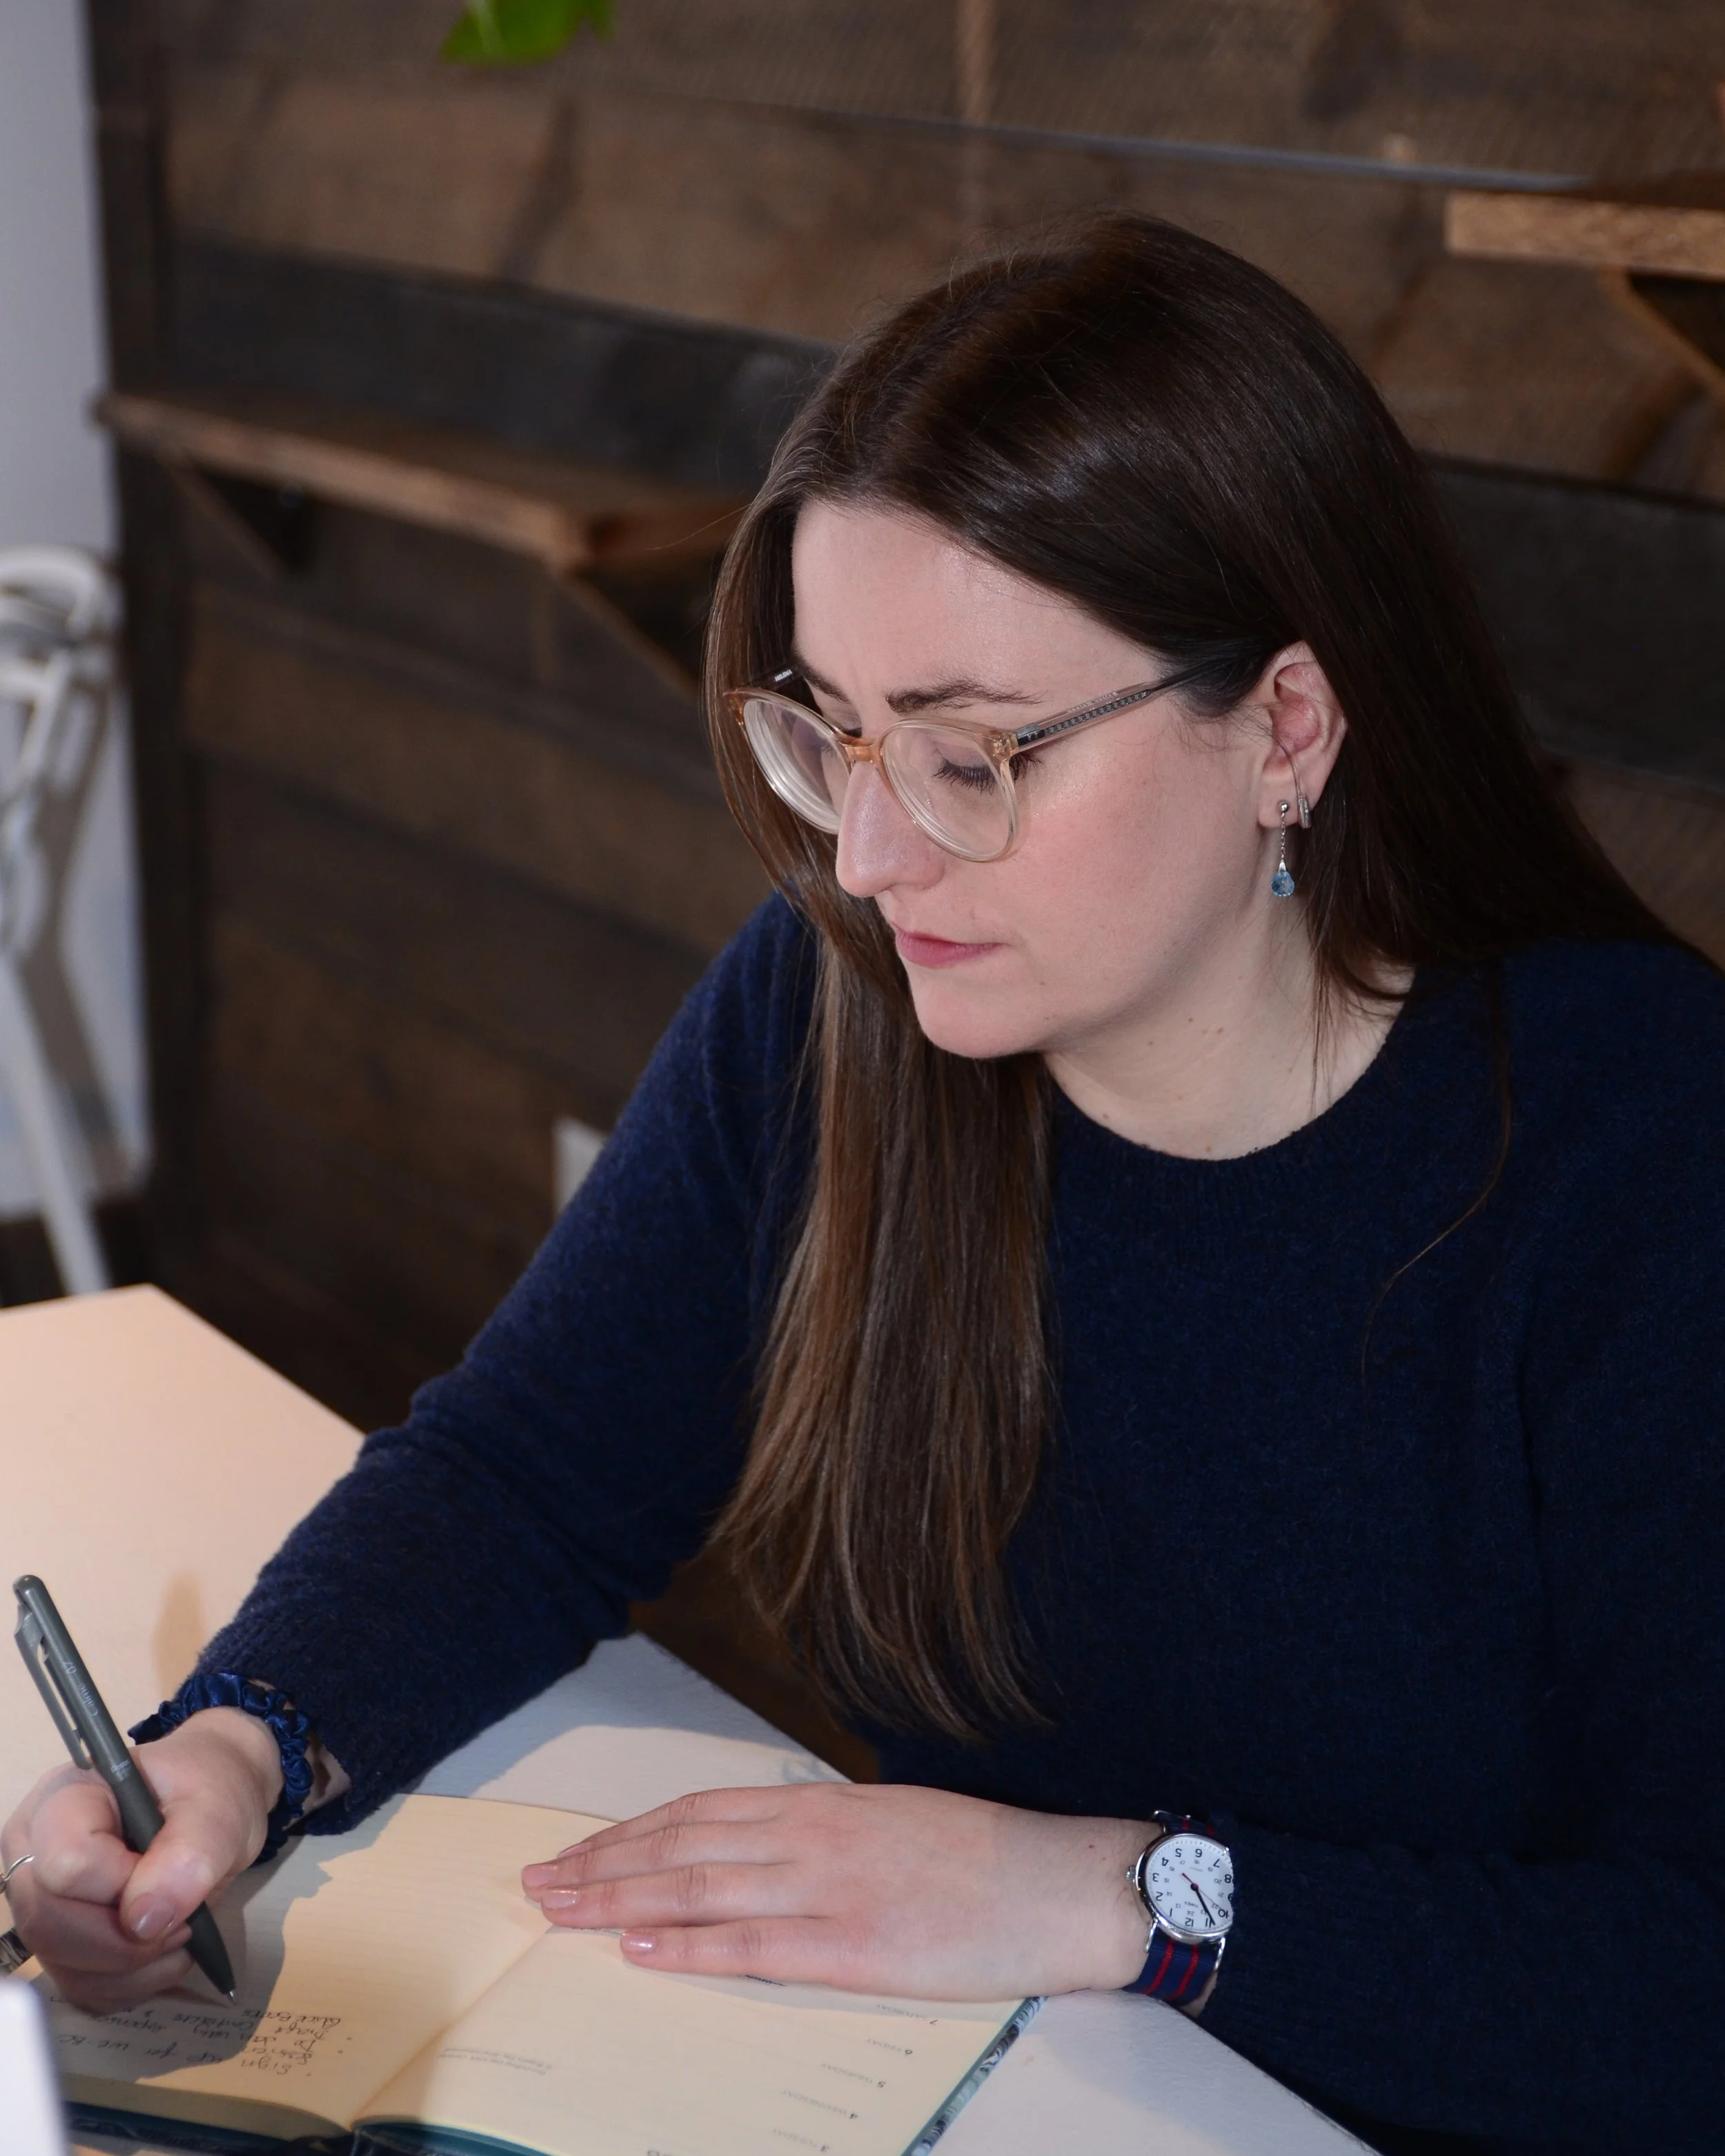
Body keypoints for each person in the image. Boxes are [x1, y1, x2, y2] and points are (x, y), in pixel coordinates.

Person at [6, 214, 1724, 2156]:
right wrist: (232, 1748)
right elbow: (525, 1473)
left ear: (1284, 729)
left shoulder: (1635, 1142)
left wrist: (1114, 1895)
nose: (877, 852)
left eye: (976, 753)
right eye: (833, 734)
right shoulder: (840, 1009)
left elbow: (1691, 1978)